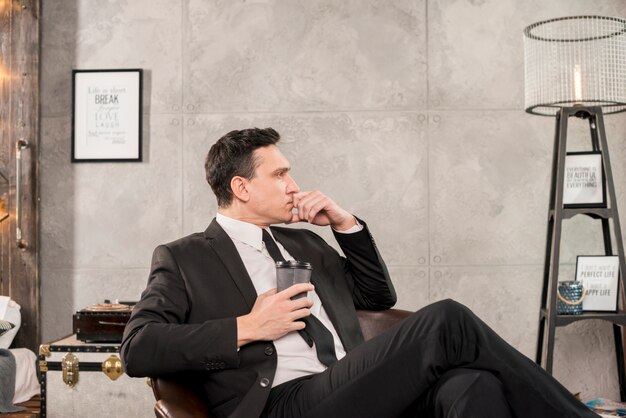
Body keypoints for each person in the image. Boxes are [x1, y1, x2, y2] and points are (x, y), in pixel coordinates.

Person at [120, 127, 599, 418]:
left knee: (475, 386)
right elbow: (138, 348)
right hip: (280, 405)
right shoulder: (185, 257)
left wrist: (346, 225)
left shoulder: (302, 240)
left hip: (349, 389)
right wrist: (247, 328)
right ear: (241, 187)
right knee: (447, 318)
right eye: (280, 175)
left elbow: (376, 295)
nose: (294, 186)